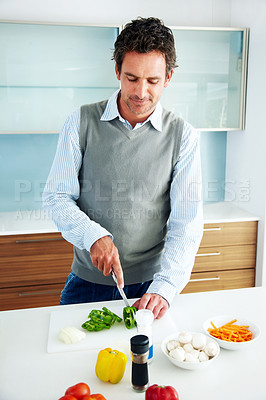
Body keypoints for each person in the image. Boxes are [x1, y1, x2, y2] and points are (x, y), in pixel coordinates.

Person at [43, 17, 203, 319]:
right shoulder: (80, 122)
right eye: (131, 78)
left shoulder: (184, 137)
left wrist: (166, 286)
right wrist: (92, 236)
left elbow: (187, 223)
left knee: (143, 365)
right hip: (87, 282)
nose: (141, 92)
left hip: (150, 287)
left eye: (152, 81)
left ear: (168, 78)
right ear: (117, 71)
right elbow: (57, 197)